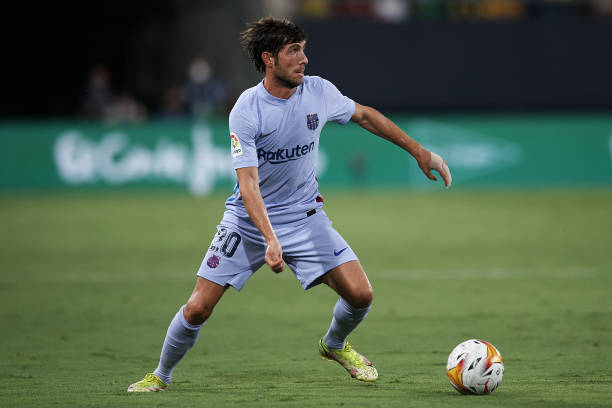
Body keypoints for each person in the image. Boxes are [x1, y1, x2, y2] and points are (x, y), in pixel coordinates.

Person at [127, 16, 451, 392]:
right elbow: (247, 185)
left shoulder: (318, 91)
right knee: (199, 306)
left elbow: (365, 116)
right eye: (293, 51)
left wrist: (419, 152)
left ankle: (333, 345)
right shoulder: (247, 110)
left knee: (361, 295)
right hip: (248, 223)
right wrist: (269, 237)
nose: (304, 59)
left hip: (304, 218)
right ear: (269, 59)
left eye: (303, 49)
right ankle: (161, 375)